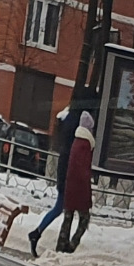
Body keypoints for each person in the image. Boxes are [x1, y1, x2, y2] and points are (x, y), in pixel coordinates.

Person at [27, 104, 81, 257]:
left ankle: (38, 234)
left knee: (61, 208)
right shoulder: (71, 144)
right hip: (67, 179)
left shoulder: (66, 140)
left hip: (64, 177)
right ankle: (38, 234)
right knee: (61, 208)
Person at [57, 112, 95, 253]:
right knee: (84, 219)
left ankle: (62, 244)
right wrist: (87, 193)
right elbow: (83, 171)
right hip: (80, 189)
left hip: (70, 187)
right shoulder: (85, 144)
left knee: (68, 216)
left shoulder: (76, 141)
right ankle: (72, 245)